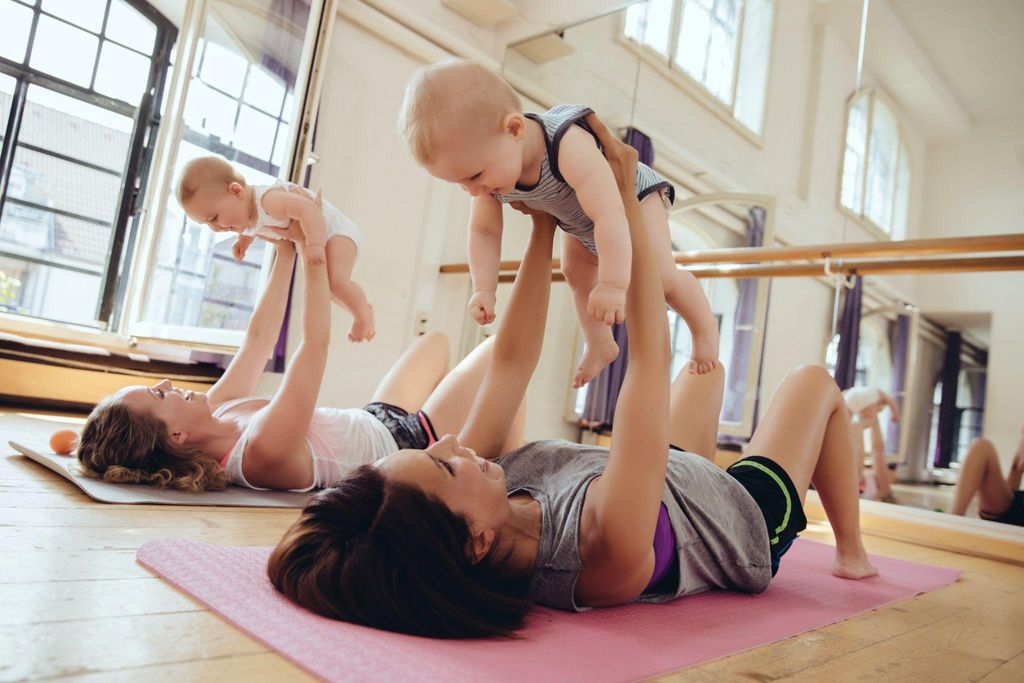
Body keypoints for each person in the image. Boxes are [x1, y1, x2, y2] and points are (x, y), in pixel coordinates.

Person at [268, 113, 877, 639]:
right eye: (442, 463)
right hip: (733, 514)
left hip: (663, 479)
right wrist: (625, 207)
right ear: (475, 541)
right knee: (813, 384)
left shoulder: (476, 499)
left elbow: (510, 363)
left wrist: (539, 226)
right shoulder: (597, 551)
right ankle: (851, 551)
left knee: (706, 368)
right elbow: (645, 365)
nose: (449, 441)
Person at [76, 225, 523, 493]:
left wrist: (284, 250)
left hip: (375, 419)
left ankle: (494, 442)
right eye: (158, 394)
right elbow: (314, 348)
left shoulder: (220, 407)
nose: (169, 385)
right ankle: (513, 472)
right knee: (508, 351)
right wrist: (314, 255)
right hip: (409, 447)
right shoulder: (259, 453)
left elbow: (258, 340)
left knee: (439, 341)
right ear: (175, 433)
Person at [397, 59, 718, 387]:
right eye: (460, 183)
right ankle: (599, 343)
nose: (472, 190)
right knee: (575, 272)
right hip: (579, 220)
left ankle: (704, 329)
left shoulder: (565, 143)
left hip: (631, 199)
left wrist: (612, 284)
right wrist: (484, 288)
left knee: (659, 276)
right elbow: (484, 231)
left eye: (475, 176)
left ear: (514, 129)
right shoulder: (487, 172)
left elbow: (609, 213)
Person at [176, 156, 375, 342]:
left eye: (214, 217)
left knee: (337, 282)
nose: (215, 228)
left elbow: (309, 209)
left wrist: (314, 244)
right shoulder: (249, 216)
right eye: (207, 224)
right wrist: (244, 240)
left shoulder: (268, 200)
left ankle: (362, 318)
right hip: (324, 236)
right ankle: (362, 308)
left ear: (236, 191)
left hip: (337, 233)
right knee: (329, 290)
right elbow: (253, 227)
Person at [951, 427, 1024, 525]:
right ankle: (954, 520)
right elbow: (1012, 490)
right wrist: (1017, 464)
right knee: (981, 446)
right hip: (1015, 507)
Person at [844, 387, 900, 503]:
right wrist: (895, 415)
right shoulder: (879, 396)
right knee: (867, 421)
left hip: (848, 401)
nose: (879, 411)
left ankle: (856, 424)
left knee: (852, 423)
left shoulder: (862, 390)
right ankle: (861, 423)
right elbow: (891, 402)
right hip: (864, 403)